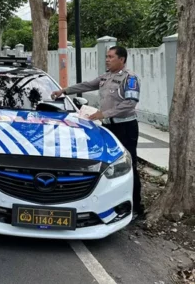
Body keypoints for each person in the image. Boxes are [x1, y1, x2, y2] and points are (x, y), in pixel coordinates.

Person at [51, 45, 144, 217]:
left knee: (129, 164)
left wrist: (103, 113)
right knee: (109, 165)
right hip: (108, 126)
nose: (107, 60)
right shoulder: (105, 77)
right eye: (106, 57)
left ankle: (136, 207)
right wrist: (64, 90)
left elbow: (130, 104)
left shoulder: (130, 78)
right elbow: (86, 85)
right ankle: (111, 202)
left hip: (125, 126)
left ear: (121, 59)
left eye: (111, 57)